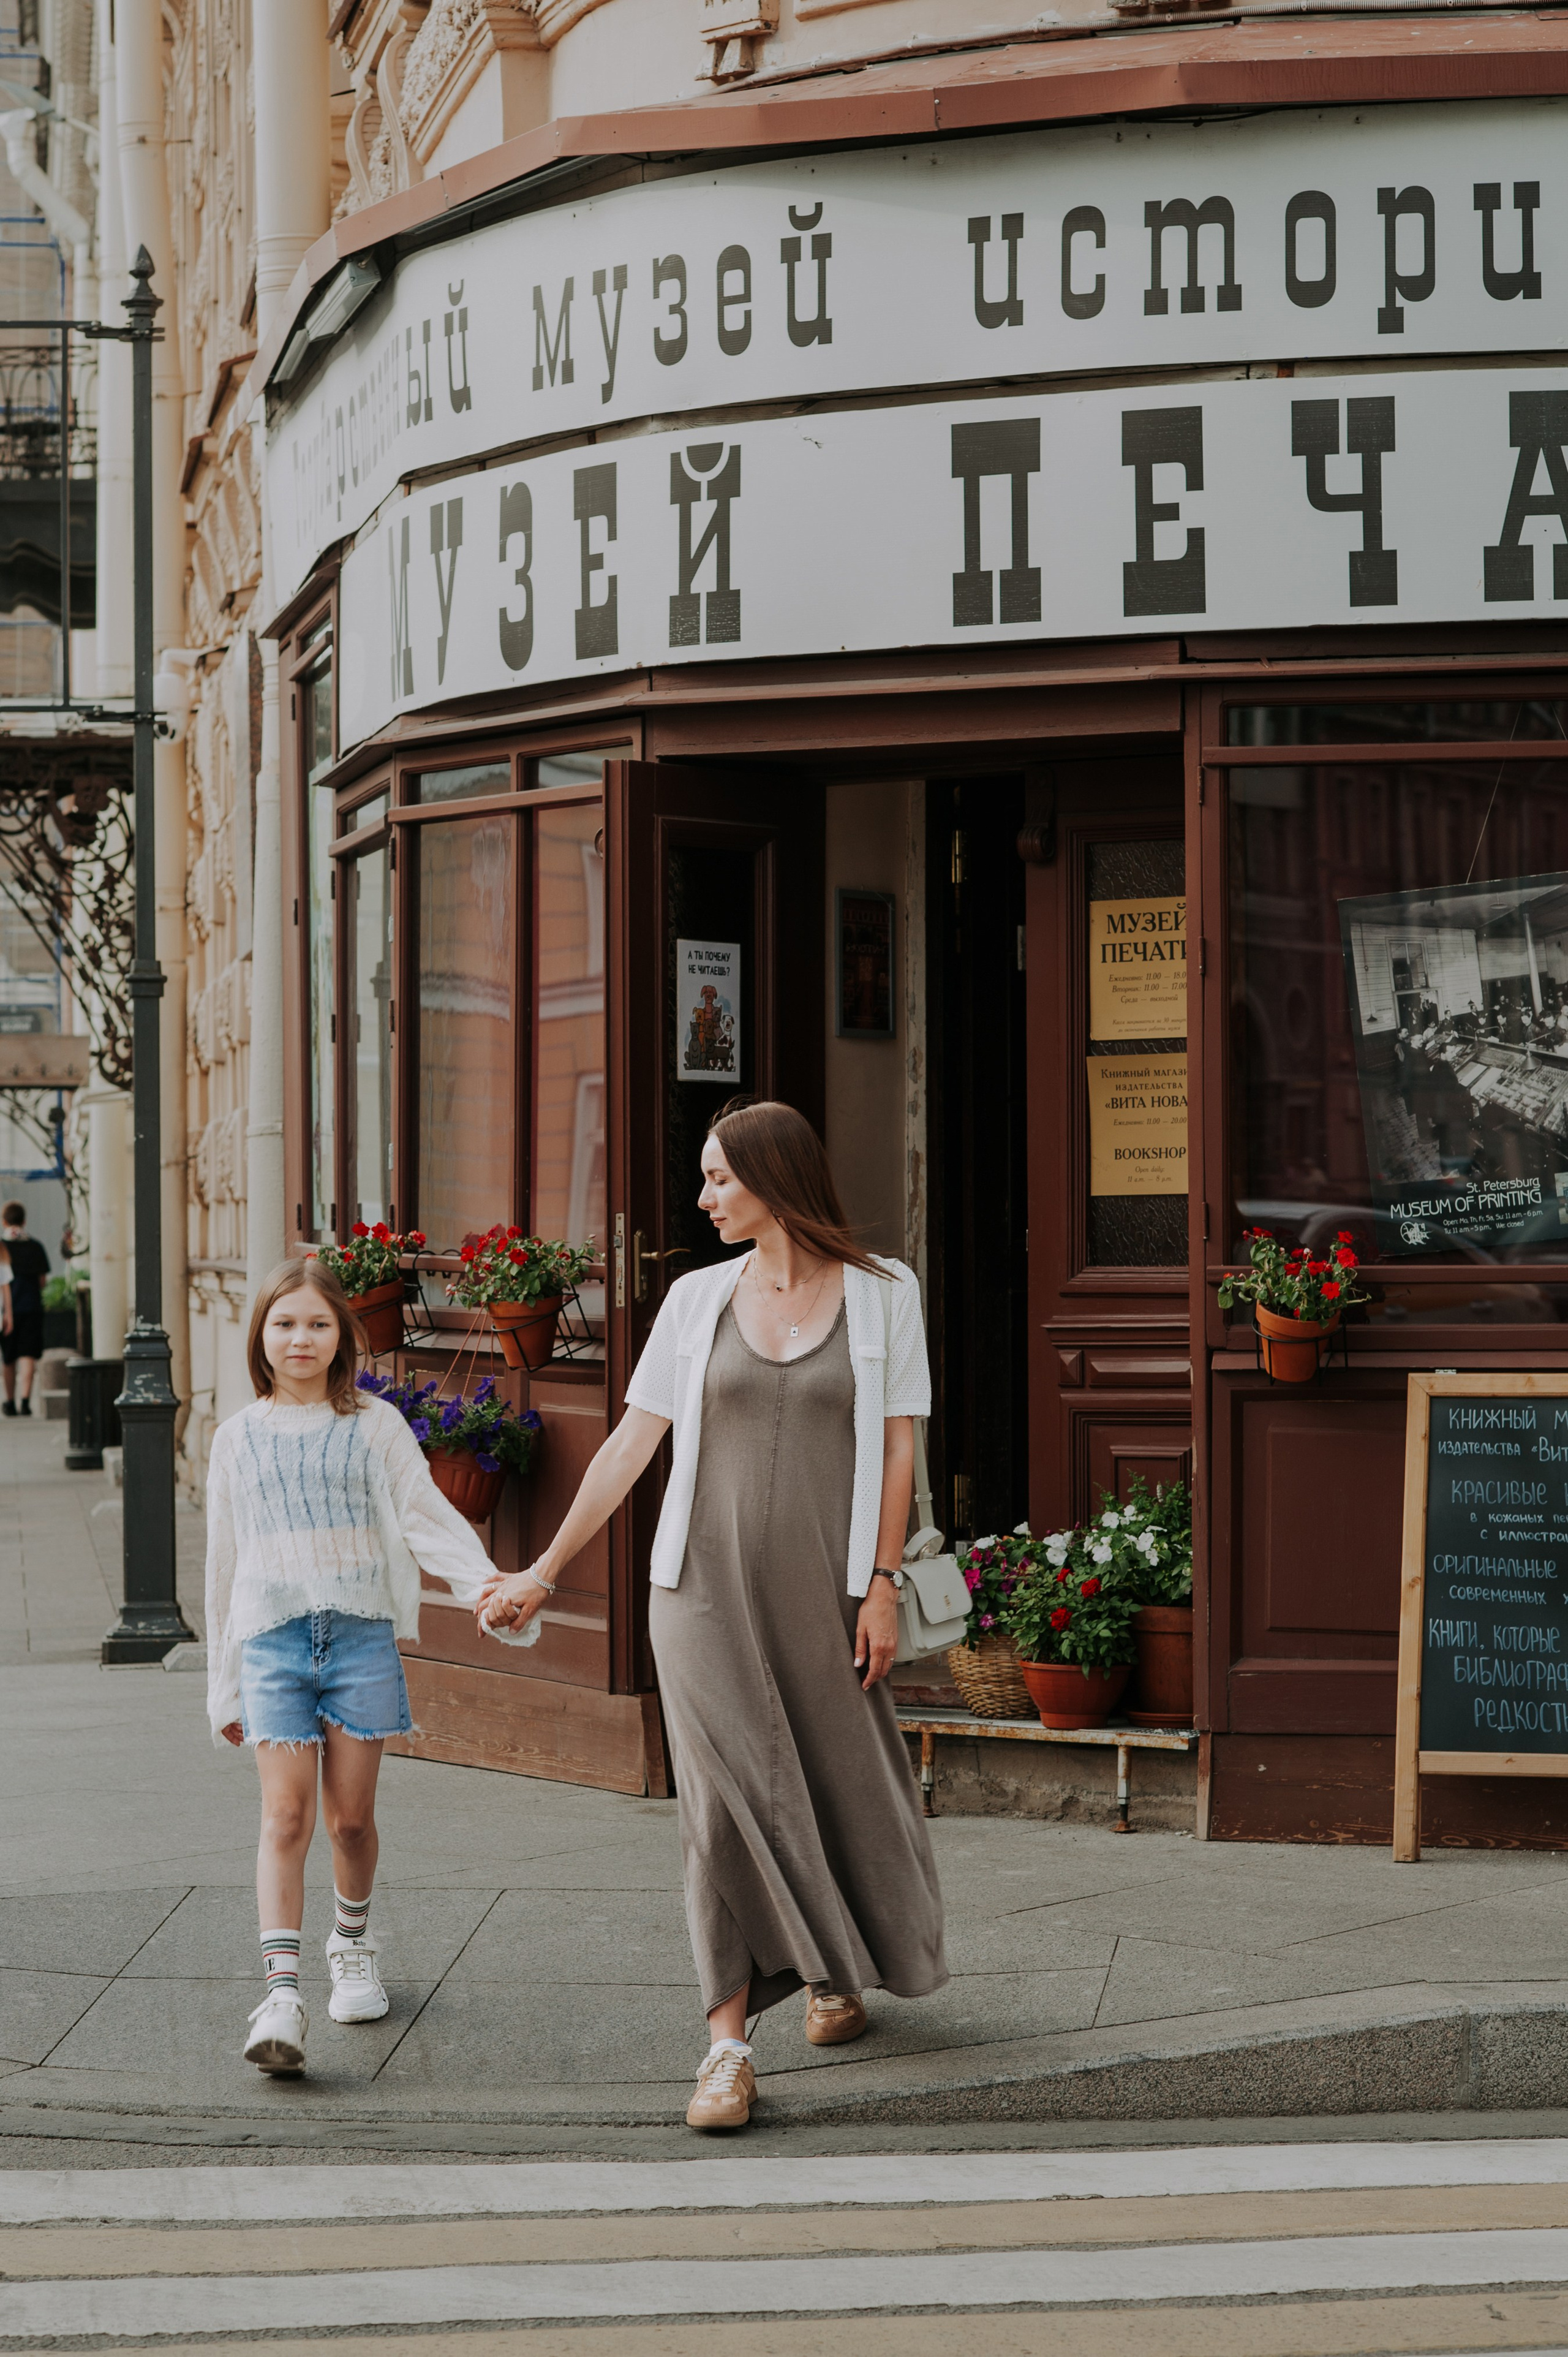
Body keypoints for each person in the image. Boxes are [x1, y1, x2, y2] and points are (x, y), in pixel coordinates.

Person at [480, 1098, 948, 2132]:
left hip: (825, 1592)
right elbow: (629, 1447)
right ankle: (728, 2048)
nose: (703, 1199)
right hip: (696, 1590)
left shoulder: (883, 1293)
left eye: (719, 1179)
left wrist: (879, 1584)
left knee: (836, 1779)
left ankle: (833, 1971)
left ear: (774, 1179)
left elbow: (901, 1447)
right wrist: (546, 1568)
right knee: (721, 1810)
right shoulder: (695, 1301)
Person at [205, 1257, 533, 2078]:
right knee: (286, 1819)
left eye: (317, 1323)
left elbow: (426, 1516)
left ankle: (352, 1942)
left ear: (343, 1335)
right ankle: (281, 1995)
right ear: (262, 1336)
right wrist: (224, 1681)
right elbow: (222, 1564)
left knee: (351, 1821)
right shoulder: (237, 1437)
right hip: (273, 1643)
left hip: (359, 1640)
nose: (301, 1338)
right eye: (284, 1323)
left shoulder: (375, 1424)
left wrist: (486, 1587)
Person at [1, 1203, 47, 1417]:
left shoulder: (2, 1247)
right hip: (31, 1307)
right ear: (24, 1220)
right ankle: (26, 1401)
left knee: (8, 1358)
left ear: (4, 1221)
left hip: (6, 1312)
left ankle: (10, 1402)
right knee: (28, 1355)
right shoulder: (36, 1247)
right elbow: (42, 1281)